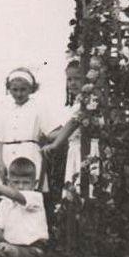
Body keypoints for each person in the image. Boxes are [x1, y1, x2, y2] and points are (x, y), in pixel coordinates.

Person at [42, 61, 99, 198]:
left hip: (85, 150)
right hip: (74, 151)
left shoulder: (89, 102)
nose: (72, 83)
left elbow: (73, 124)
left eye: (77, 79)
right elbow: (66, 129)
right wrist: (47, 135)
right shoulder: (76, 104)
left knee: (86, 187)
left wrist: (54, 144)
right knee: (74, 188)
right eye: (69, 79)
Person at [0, 67, 52, 192]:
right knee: (8, 194)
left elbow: (51, 132)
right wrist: (0, 163)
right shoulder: (5, 109)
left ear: (31, 89)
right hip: (7, 155)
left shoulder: (38, 108)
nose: (19, 94)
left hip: (29, 154)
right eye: (14, 90)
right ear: (9, 89)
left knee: (29, 194)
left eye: (23, 89)